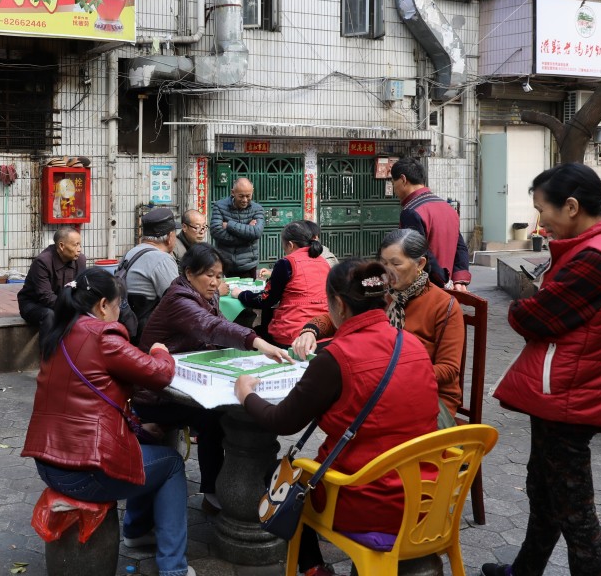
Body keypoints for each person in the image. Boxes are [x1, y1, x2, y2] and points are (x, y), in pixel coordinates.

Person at [236, 260, 439, 576]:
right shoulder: (411, 344)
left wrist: (246, 394)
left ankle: (314, 568)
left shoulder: (336, 357)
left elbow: (282, 421)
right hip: (430, 496)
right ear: (384, 299)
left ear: (340, 305)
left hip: (367, 500)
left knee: (280, 475)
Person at [483, 164, 601, 576]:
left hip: (572, 394)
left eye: (544, 210)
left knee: (575, 513)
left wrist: (526, 304)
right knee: (543, 489)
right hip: (571, 389)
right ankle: (524, 570)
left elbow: (533, 317)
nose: (540, 223)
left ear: (573, 206)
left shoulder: (596, 258)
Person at [21, 268, 195, 576]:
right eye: (120, 304)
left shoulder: (59, 330)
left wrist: (138, 430)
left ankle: (138, 531)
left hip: (48, 463)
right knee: (170, 464)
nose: (120, 312)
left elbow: (93, 399)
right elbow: (159, 373)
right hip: (85, 471)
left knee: (147, 446)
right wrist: (160, 351)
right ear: (103, 305)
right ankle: (173, 569)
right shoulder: (103, 334)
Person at [139, 243, 291, 513]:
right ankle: (213, 492)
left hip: (183, 378)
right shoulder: (179, 299)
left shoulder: (205, 296)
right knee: (215, 418)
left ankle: (217, 490)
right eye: (208, 274)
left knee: (219, 418)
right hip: (156, 393)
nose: (214, 282)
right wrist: (258, 342)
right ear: (189, 273)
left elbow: (218, 325)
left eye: (219, 275)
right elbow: (211, 327)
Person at [293, 229, 465, 417]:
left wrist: (391, 373)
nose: (387, 271)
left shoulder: (444, 305)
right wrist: (311, 330)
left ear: (420, 264)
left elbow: (448, 369)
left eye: (396, 264)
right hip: (382, 387)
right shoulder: (381, 291)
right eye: (383, 263)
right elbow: (343, 313)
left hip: (430, 396)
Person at [237, 221, 331, 347]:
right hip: (324, 330)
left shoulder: (287, 262)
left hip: (294, 332)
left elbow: (266, 299)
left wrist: (241, 294)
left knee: (257, 333)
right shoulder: (323, 262)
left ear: (290, 245)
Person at [390, 157, 470, 290]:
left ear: (403, 179)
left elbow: (421, 255)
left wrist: (443, 281)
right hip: (449, 291)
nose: (394, 189)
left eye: (393, 182)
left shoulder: (411, 211)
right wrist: (458, 279)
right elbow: (460, 246)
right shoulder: (447, 207)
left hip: (427, 290)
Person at [17, 226, 86, 346]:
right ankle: (47, 358)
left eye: (80, 245)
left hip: (63, 303)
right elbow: (45, 296)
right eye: (76, 245)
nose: (79, 249)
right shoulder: (42, 262)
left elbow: (81, 289)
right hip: (33, 304)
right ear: (61, 246)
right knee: (49, 315)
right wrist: (70, 308)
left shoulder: (80, 260)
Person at [120, 207, 179, 338]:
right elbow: (178, 301)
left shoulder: (130, 253)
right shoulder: (162, 259)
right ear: (169, 237)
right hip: (149, 335)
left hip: (127, 327)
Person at [209, 177, 264, 278]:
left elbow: (256, 232)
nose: (245, 200)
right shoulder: (219, 206)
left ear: (252, 192)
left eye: (248, 196)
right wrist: (247, 236)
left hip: (248, 265)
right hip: (224, 264)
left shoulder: (257, 209)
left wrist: (230, 225)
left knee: (248, 293)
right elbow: (216, 232)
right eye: (241, 196)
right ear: (233, 192)